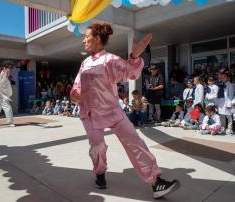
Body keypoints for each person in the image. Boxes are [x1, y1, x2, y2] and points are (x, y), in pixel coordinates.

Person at [70, 23, 179, 199]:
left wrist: (135, 56)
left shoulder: (111, 60)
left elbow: (131, 72)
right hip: (90, 113)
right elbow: (76, 88)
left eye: (86, 36)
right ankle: (100, 173)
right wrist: (75, 95)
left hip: (113, 111)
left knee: (135, 142)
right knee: (97, 146)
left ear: (97, 38)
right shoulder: (85, 63)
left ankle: (156, 182)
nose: (83, 40)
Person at [216, 67, 235, 134]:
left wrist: (229, 103)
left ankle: (230, 128)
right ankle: (223, 127)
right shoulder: (220, 85)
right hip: (221, 103)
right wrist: (217, 103)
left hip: (227, 103)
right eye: (221, 77)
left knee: (229, 116)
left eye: (224, 77)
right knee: (222, 116)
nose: (222, 78)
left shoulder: (230, 85)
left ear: (228, 78)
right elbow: (218, 95)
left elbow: (231, 96)